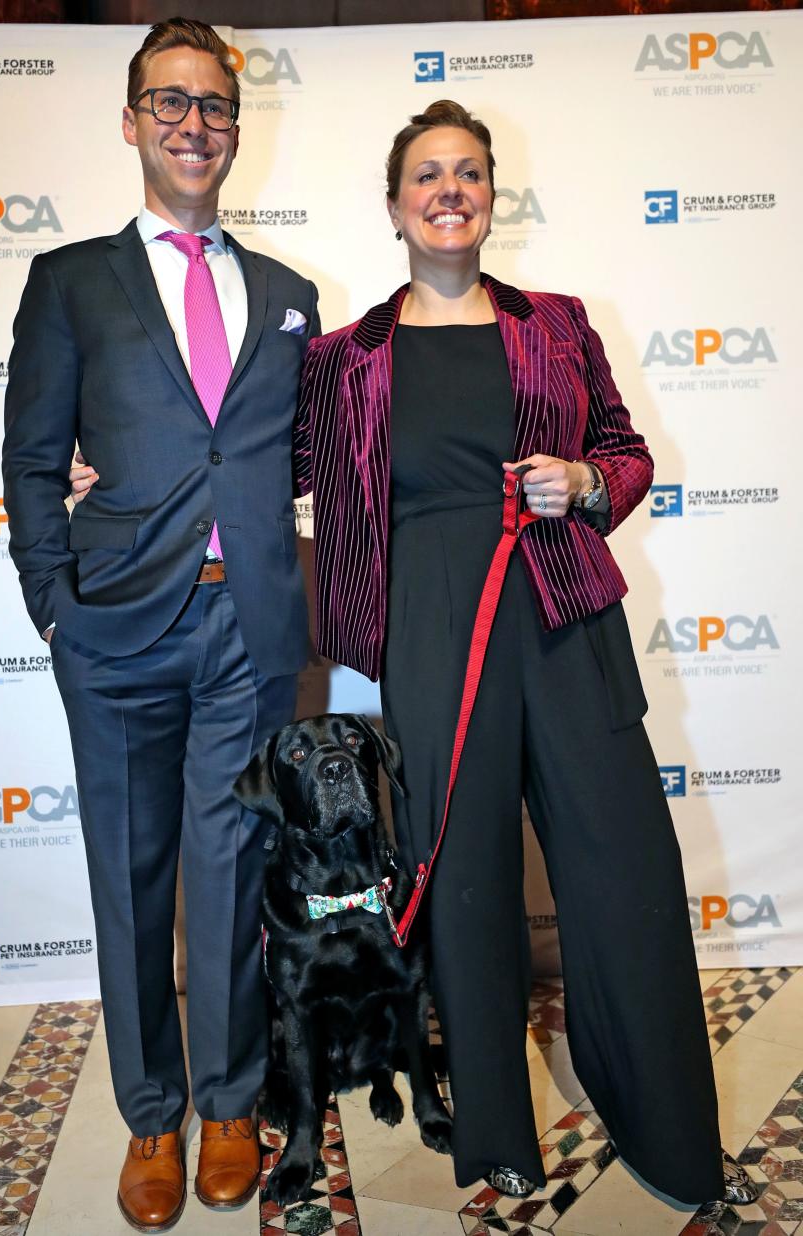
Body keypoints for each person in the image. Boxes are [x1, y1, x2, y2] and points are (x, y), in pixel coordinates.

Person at [290, 101, 756, 1209]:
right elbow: (257, 467)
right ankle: (499, 1130)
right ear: (395, 204)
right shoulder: (342, 359)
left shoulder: (556, 324)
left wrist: (590, 483)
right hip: (431, 631)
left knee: (627, 869)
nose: (449, 191)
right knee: (467, 883)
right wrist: (118, 482)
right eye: (427, 177)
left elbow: (627, 451)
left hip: (562, 616)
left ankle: (669, 1128)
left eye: (469, 174)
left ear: (492, 195)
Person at [2, 19, 319, 1232]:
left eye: (217, 107)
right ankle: (151, 1111)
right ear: (133, 120)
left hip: (246, 627)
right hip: (117, 628)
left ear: (240, 127)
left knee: (232, 868)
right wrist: (54, 604)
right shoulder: (71, 279)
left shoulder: (291, 297)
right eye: (170, 103)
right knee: (131, 878)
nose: (196, 125)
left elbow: (309, 452)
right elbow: (32, 458)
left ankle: (229, 1099)